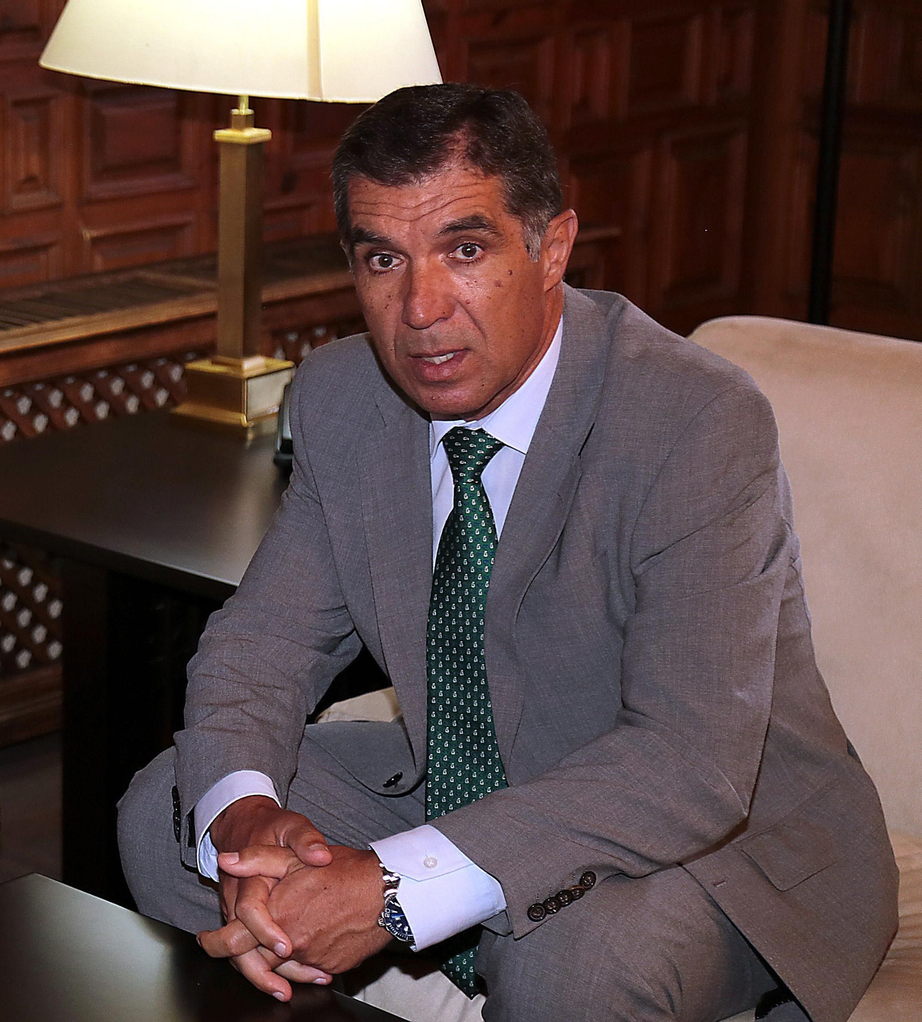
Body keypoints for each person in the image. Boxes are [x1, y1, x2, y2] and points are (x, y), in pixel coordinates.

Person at [118, 84, 897, 1022]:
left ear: (552, 247)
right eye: (383, 259)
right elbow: (264, 645)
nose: (420, 309)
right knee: (170, 814)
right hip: (462, 777)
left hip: (713, 836)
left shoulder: (694, 417)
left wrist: (392, 888)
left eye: (466, 250)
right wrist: (247, 821)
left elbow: (691, 761)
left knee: (571, 963)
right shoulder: (341, 396)